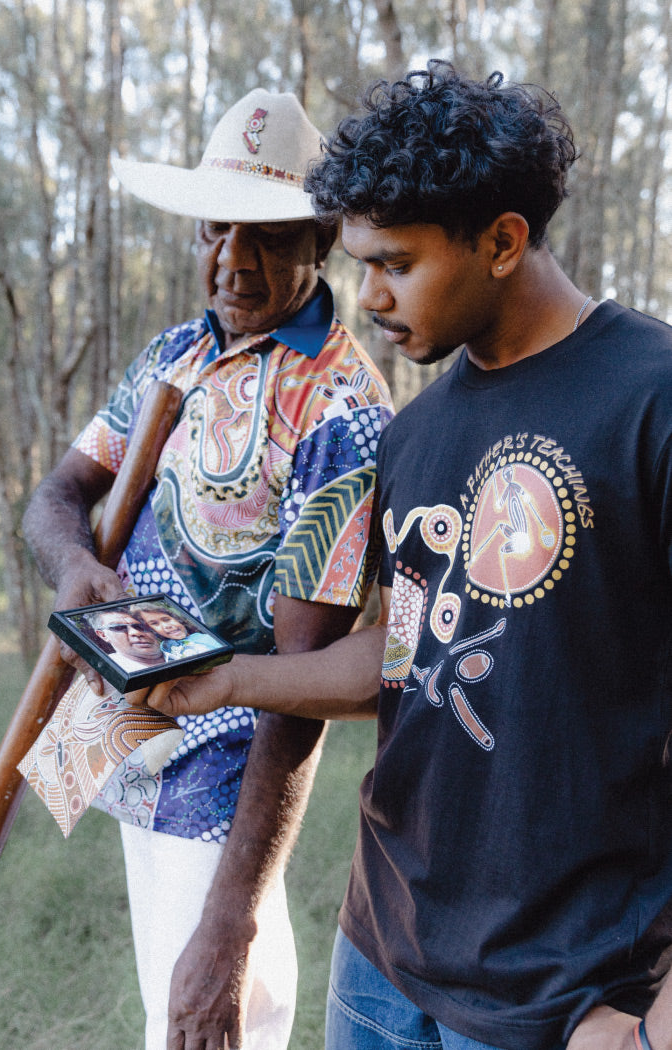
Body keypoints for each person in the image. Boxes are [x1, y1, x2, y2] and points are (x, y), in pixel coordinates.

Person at [148, 62, 672, 1050]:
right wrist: (227, 681)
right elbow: (404, 647)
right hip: (381, 957)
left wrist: (656, 1024)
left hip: (563, 991)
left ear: (503, 240)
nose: (371, 297)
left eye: (394, 262)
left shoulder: (652, 401)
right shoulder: (416, 431)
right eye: (360, 263)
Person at [22, 86, 393, 1050]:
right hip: (128, 745)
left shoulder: (340, 412)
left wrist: (234, 918)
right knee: (170, 1013)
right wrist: (72, 567)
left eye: (266, 234)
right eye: (215, 228)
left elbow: (303, 690)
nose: (232, 259)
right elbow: (56, 498)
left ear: (319, 242)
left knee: (215, 1016)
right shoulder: (175, 354)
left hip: (226, 783)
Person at [130, 602, 221, 661]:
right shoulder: (163, 648)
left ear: (176, 618)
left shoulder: (204, 638)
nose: (167, 626)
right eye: (155, 624)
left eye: (166, 619)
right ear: (151, 630)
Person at [86, 607, 165, 670]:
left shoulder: (175, 650)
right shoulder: (105, 670)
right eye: (119, 627)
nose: (136, 632)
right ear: (103, 635)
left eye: (139, 626)